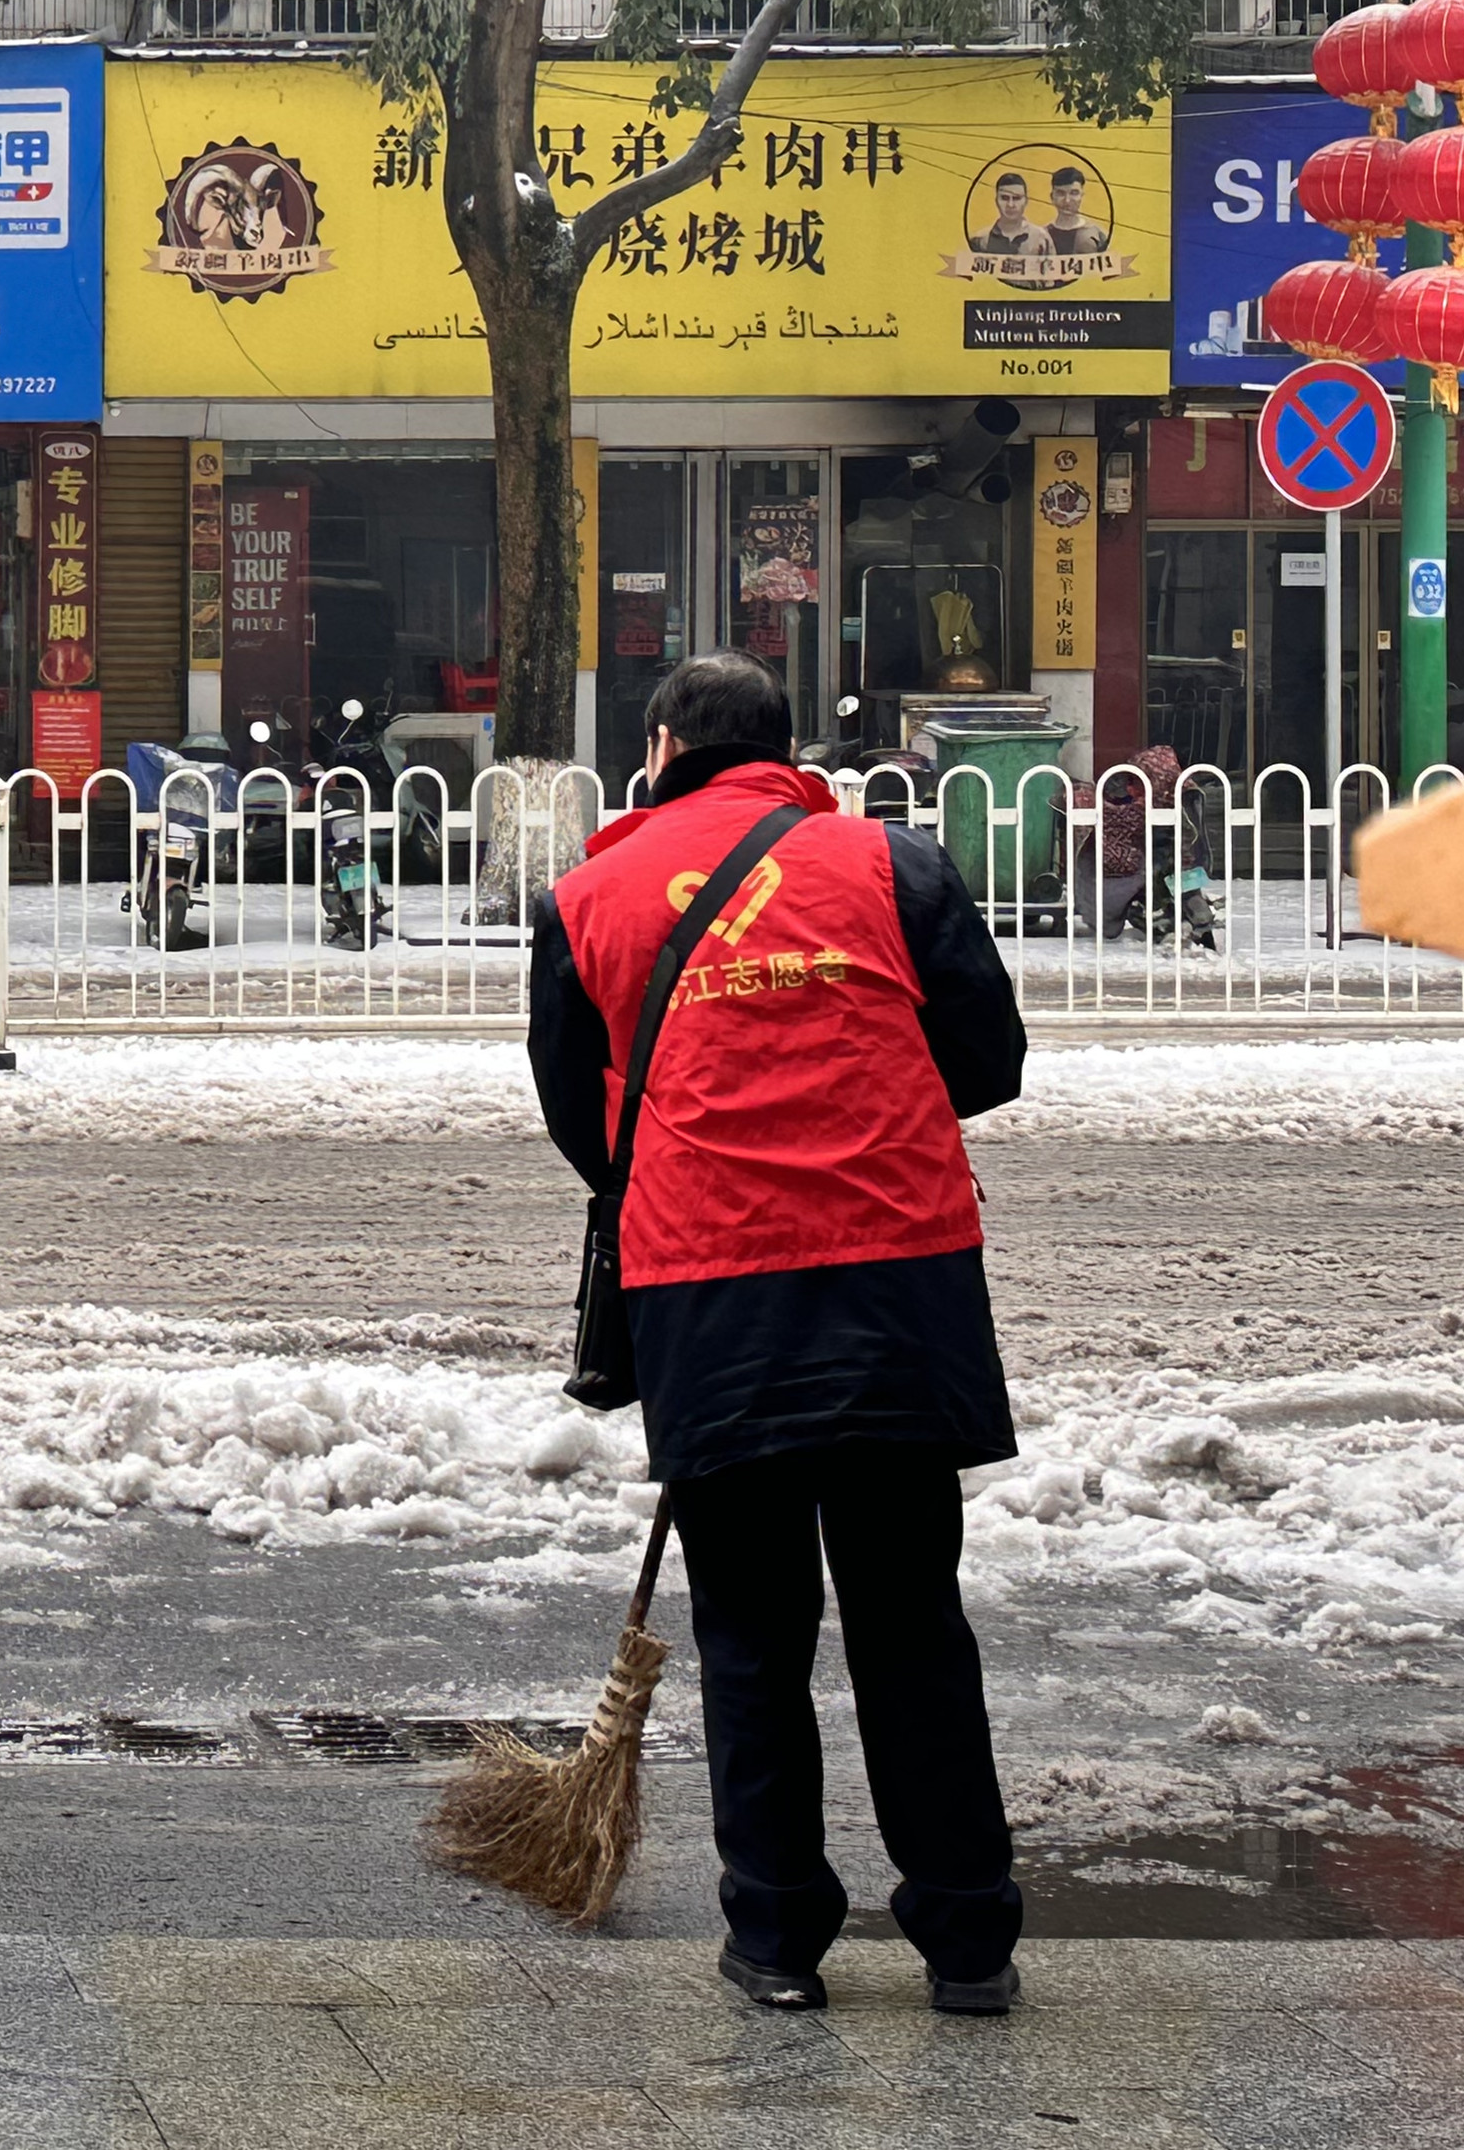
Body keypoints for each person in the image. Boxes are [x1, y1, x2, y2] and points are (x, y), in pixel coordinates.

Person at [527, 650, 1029, 2015]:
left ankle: (778, 1937)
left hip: (709, 1291)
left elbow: (585, 1122)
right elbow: (988, 1060)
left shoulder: (587, 898)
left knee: (752, 1635)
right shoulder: (896, 867)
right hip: (898, 1283)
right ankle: (969, 1940)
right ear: (784, 749)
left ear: (660, 745)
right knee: (912, 1622)